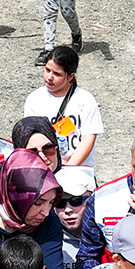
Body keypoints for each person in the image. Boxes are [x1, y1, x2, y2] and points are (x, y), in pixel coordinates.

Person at [24, 47, 102, 176]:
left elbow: (88, 139)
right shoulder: (34, 99)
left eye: (57, 74)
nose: (49, 77)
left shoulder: (85, 99)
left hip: (79, 172)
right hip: (47, 172)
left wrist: (68, 168)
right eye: (47, 70)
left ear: (70, 76)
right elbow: (32, 138)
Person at [54, 165, 103, 269]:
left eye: (76, 201)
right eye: (60, 203)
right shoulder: (47, 238)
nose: (68, 210)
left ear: (93, 199)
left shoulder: (108, 234)